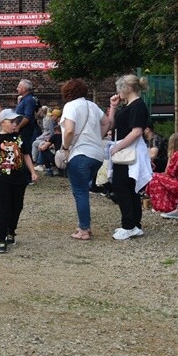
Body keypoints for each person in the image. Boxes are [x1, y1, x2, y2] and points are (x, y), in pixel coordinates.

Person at [58, 79, 110, 241]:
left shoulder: (70, 107)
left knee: (80, 192)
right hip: (97, 154)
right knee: (81, 190)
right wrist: (97, 137)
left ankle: (84, 229)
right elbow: (107, 122)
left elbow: (69, 130)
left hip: (79, 154)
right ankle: (84, 223)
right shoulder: (92, 106)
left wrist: (65, 148)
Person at [0, 108, 39, 253]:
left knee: (17, 206)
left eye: (17, 122)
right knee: (4, 208)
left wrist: (32, 172)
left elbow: (26, 155)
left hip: (19, 178)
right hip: (3, 178)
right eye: (12, 122)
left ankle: (11, 230)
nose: (15, 124)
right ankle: (1, 238)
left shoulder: (19, 138)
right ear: (3, 122)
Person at [107, 74, 152, 241]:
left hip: (129, 151)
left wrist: (118, 146)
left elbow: (137, 131)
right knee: (129, 187)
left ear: (126, 88)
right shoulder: (129, 106)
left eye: (120, 89)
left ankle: (129, 225)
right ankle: (133, 224)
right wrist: (113, 107)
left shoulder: (138, 106)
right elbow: (112, 125)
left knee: (122, 186)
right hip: (126, 150)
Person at [14, 79, 39, 151]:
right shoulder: (24, 99)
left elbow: (27, 117)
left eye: (19, 87)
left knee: (26, 150)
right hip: (23, 130)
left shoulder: (29, 100)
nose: (17, 89)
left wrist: (18, 127)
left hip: (26, 131)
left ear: (24, 89)